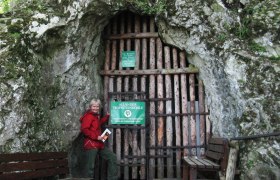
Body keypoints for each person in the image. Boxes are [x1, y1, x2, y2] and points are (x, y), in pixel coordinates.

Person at [80, 99, 118, 180]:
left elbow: (98, 123)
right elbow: (84, 129)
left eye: (97, 106)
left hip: (98, 144)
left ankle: (112, 178)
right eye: (94, 106)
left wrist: (107, 116)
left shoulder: (95, 116)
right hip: (91, 144)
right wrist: (96, 137)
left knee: (112, 157)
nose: (96, 108)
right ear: (90, 107)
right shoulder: (88, 116)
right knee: (90, 167)